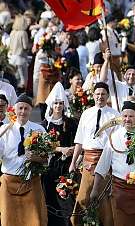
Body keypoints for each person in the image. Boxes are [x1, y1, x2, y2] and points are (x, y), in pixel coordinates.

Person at [91, 101, 135, 226]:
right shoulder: (114, 137)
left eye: (131, 116)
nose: (127, 119)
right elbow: (103, 166)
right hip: (120, 190)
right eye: (125, 116)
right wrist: (95, 190)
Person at [69, 82, 120, 226]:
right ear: (93, 95)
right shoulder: (87, 113)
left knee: (103, 199)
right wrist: (73, 163)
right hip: (87, 160)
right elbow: (79, 140)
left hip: (106, 160)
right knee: (83, 197)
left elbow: (117, 142)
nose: (100, 97)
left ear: (108, 96)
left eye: (103, 94)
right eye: (97, 94)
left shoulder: (115, 115)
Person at [0, 94, 48, 226]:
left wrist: (36, 158)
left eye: (26, 108)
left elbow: (47, 159)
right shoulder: (4, 130)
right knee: (8, 222)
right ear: (14, 109)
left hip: (31, 182)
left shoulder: (39, 130)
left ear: (31, 110)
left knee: (34, 221)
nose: (23, 111)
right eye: (20, 108)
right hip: (9, 182)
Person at [41, 82, 78, 226]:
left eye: (60, 103)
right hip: (50, 169)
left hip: (67, 168)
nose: (58, 106)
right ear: (51, 105)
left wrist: (71, 150)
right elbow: (42, 146)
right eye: (55, 103)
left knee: (67, 200)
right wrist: (60, 149)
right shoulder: (44, 125)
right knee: (50, 200)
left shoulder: (70, 123)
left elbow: (79, 142)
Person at [100, 50, 135, 120]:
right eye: (129, 74)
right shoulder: (116, 85)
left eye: (134, 74)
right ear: (124, 76)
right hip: (118, 124)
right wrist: (106, 61)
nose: (131, 76)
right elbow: (102, 80)